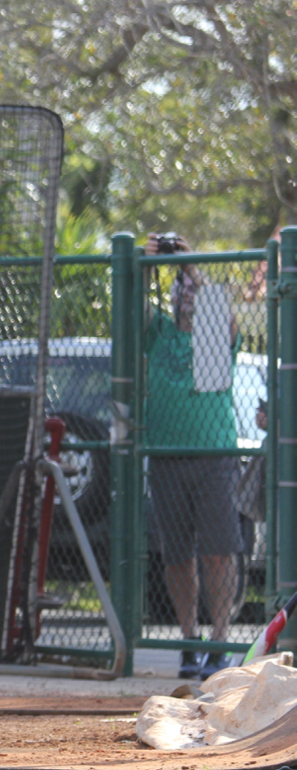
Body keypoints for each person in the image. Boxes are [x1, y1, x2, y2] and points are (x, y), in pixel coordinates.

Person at [144, 233, 241, 680]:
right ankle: (189, 642)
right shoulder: (158, 333)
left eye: (193, 290)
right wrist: (144, 265)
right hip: (166, 456)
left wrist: (190, 267)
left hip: (214, 456)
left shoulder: (213, 335)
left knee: (219, 552)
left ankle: (220, 642)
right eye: (180, 290)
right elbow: (129, 310)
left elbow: (223, 319)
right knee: (177, 554)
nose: (188, 296)